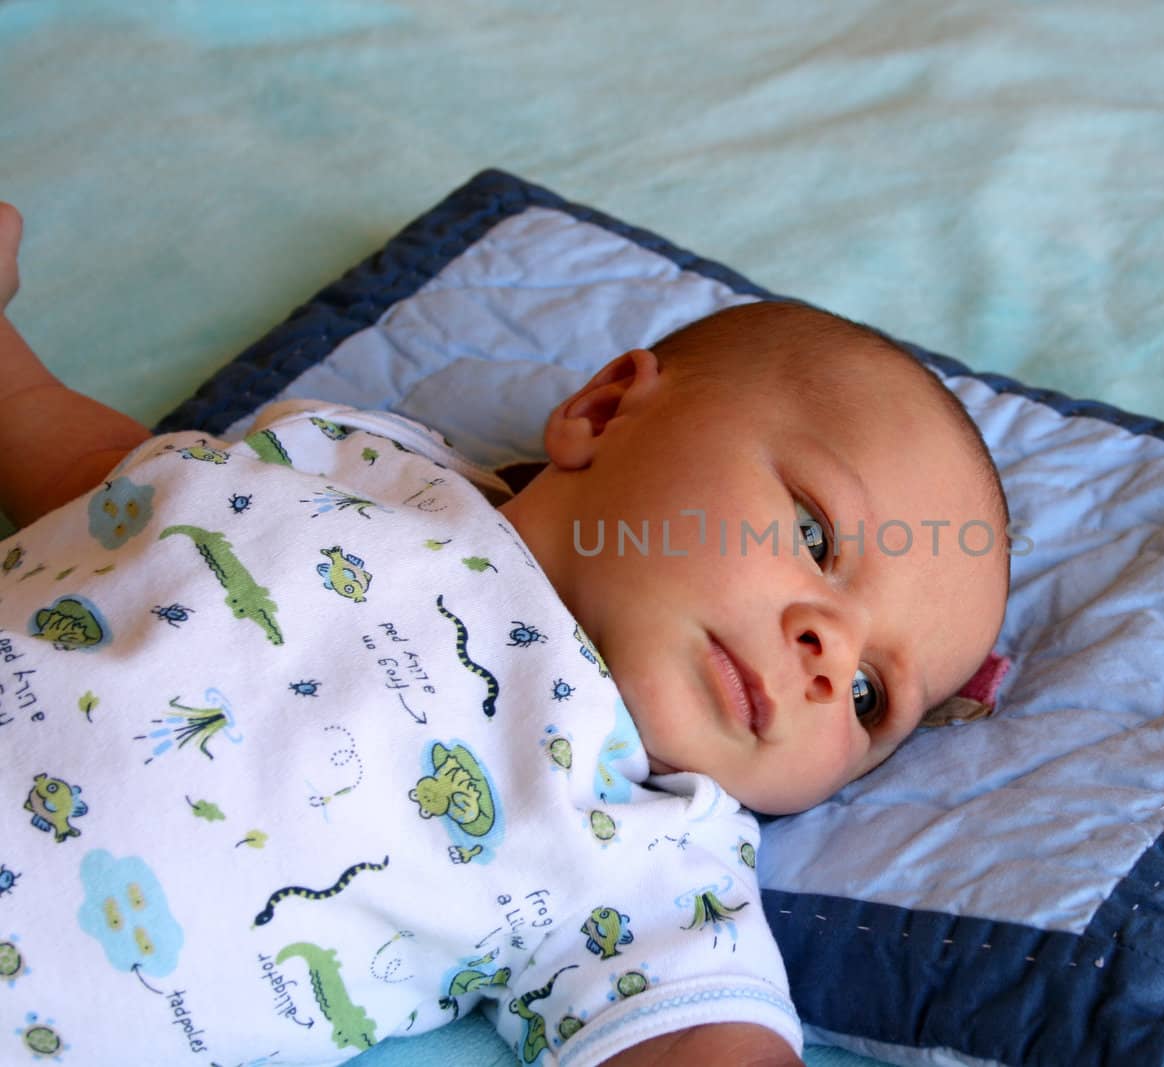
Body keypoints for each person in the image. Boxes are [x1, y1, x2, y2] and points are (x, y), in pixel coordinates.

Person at [0, 203, 1009, 1067]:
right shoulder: (367, 460)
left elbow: (703, 1032)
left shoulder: (644, 839)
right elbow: (122, 488)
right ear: (607, 408)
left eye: (874, 695)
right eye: (811, 531)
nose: (831, 658)